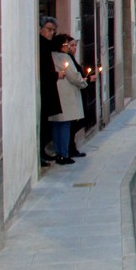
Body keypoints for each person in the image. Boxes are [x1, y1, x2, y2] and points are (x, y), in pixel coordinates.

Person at [49, 34, 92, 165]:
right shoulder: (64, 57)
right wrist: (84, 82)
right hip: (66, 96)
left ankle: (58, 153)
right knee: (65, 125)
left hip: (55, 95)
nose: (68, 47)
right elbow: (73, 76)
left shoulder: (51, 56)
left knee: (56, 125)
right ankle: (64, 154)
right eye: (66, 45)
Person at [39, 16, 62, 167]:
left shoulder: (47, 45)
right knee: (43, 123)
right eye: (48, 29)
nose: (51, 33)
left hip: (48, 90)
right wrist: (56, 75)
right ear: (40, 29)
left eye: (53, 30)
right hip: (44, 89)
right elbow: (43, 70)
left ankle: (42, 151)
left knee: (46, 122)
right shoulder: (40, 45)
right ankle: (41, 152)